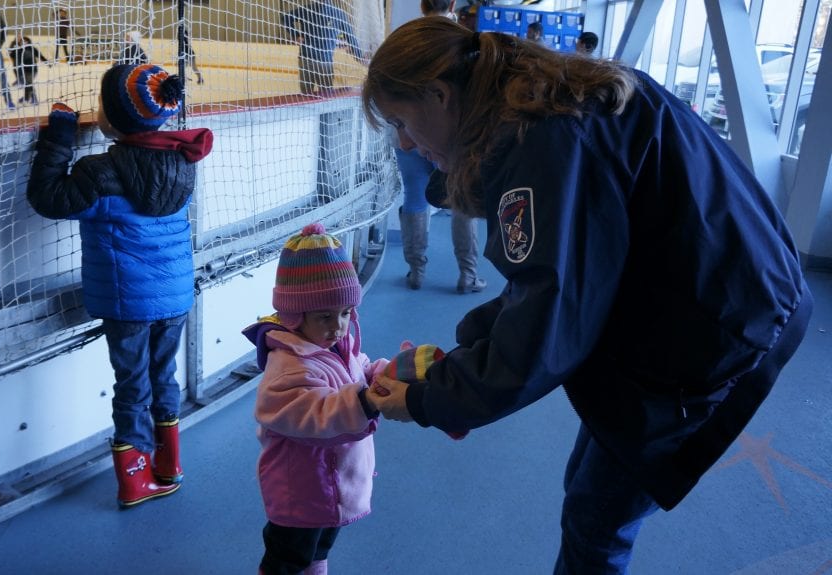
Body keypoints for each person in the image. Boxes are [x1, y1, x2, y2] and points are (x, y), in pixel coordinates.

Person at [361, 18, 812, 574]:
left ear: (440, 94)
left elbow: (546, 329)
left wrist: (428, 401)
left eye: (402, 123)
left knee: (596, 521)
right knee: (590, 487)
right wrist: (459, 358)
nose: (405, 143)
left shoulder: (542, 142)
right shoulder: (537, 106)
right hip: (713, 292)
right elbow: (553, 282)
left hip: (721, 328)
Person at [27, 63, 214, 508]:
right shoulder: (182, 162)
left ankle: (135, 482)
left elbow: (48, 198)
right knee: (162, 375)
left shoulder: (98, 172)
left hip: (128, 303)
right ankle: (169, 465)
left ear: (111, 119)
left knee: (133, 386)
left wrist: (59, 138)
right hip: (173, 298)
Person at [242, 222, 385, 575]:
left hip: (330, 488)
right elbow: (314, 414)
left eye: (345, 313)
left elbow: (354, 368)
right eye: (325, 316)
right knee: (287, 560)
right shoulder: (288, 368)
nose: (338, 326)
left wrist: (377, 373)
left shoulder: (332, 343)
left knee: (320, 547)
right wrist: (365, 401)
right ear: (294, 316)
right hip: (300, 494)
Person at [396, 0, 486, 293]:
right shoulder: (464, 42)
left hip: (407, 134)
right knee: (462, 202)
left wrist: (402, 131)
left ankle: (416, 271)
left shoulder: (403, 41)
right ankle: (468, 276)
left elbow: (391, 92)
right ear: (452, 3)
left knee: (414, 198)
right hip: (452, 139)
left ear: (422, 5)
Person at [282, 0, 366, 95]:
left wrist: (359, 56)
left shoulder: (338, 14)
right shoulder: (306, 10)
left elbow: (350, 37)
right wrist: (296, 35)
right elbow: (286, 18)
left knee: (324, 95)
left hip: (324, 64)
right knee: (307, 96)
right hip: (307, 60)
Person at [12, 35, 48, 105]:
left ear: (28, 42)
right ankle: (28, 98)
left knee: (28, 84)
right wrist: (14, 43)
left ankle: (32, 98)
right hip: (24, 70)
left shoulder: (32, 49)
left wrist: (46, 62)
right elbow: (13, 56)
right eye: (22, 41)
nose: (24, 43)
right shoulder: (19, 50)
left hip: (32, 70)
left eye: (25, 41)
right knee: (27, 84)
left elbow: (39, 55)